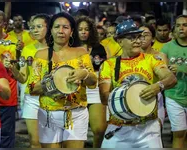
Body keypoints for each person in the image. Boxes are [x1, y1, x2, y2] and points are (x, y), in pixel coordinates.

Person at [99, 19, 177, 148]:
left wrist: (158, 86)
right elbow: (103, 98)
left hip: (148, 128)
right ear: (119, 41)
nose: (137, 40)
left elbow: (171, 78)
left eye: (138, 36)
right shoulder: (109, 65)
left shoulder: (152, 60)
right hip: (119, 128)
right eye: (131, 37)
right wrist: (129, 99)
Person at [28, 12, 97, 148]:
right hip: (48, 115)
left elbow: (93, 82)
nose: (61, 31)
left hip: (76, 114)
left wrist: (84, 74)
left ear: (71, 32)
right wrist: (54, 83)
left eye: (65, 27)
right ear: (51, 31)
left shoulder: (81, 52)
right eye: (57, 27)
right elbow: (32, 88)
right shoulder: (41, 55)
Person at [4, 13, 50, 148]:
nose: (35, 30)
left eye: (39, 27)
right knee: (34, 142)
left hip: (52, 99)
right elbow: (23, 78)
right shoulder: (27, 49)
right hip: (32, 98)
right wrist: (13, 69)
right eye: (33, 27)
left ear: (49, 28)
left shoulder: (57, 49)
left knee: (51, 143)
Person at [76, 16, 107, 148]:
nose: (83, 32)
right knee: (76, 133)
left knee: (100, 130)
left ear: (91, 31)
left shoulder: (99, 48)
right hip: (76, 90)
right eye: (80, 29)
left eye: (86, 29)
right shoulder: (70, 47)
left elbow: (104, 68)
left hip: (94, 91)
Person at [160, 15, 187, 148]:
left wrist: (182, 69)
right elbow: (164, 72)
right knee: (179, 133)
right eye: (178, 25)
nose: (181, 28)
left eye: (185, 25)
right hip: (173, 96)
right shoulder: (166, 48)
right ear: (174, 29)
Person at [139, 25, 167, 129]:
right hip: (136, 94)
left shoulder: (160, 56)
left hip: (156, 97)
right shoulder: (131, 56)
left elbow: (167, 79)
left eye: (146, 35)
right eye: (140, 35)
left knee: (156, 130)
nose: (142, 37)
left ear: (153, 38)